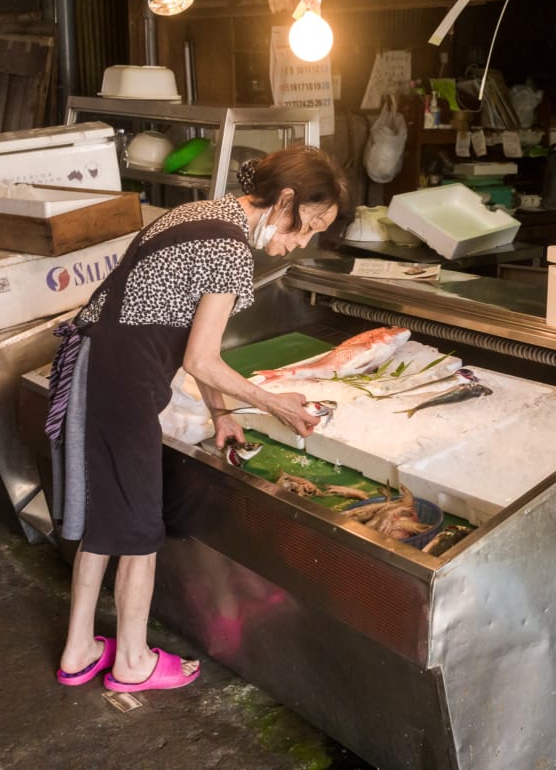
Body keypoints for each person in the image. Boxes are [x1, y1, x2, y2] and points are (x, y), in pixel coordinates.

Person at [46, 145, 349, 692]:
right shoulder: (230, 247)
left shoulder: (201, 214)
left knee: (104, 517)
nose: (303, 241)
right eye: (309, 224)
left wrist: (221, 411)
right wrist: (278, 404)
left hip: (96, 364)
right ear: (285, 200)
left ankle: (78, 649)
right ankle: (133, 663)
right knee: (138, 530)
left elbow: (191, 341)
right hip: (124, 379)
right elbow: (200, 358)